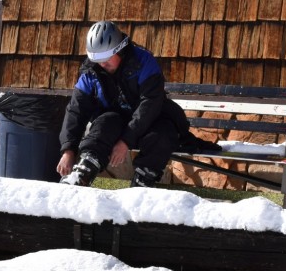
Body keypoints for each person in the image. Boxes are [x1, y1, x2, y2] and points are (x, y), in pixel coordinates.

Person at [57, 21, 220, 188]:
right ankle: (83, 173)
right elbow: (76, 110)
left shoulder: (144, 62)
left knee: (163, 134)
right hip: (115, 122)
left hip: (152, 120)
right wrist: (68, 150)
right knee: (104, 123)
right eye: (97, 59)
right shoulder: (90, 72)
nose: (102, 64)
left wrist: (126, 141)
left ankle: (143, 182)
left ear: (118, 49)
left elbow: (149, 105)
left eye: (106, 58)